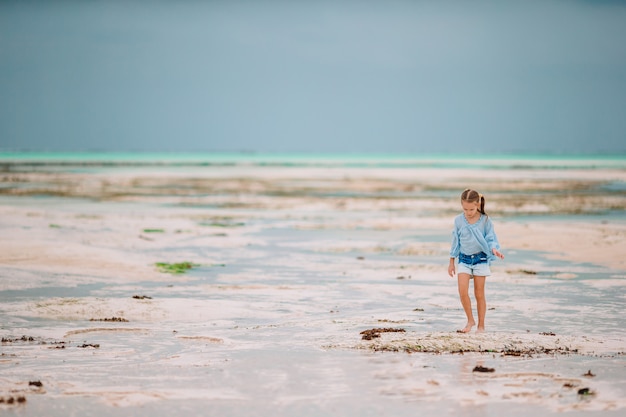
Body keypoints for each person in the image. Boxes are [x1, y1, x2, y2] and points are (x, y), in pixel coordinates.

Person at [448, 189, 504, 333]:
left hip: (481, 259)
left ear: (478, 205)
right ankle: (470, 320)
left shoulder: (485, 220)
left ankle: (481, 325)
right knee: (462, 291)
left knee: (479, 294)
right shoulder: (458, 220)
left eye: (471, 209)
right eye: (465, 209)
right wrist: (451, 262)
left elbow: (491, 238)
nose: (468, 212)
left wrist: (494, 249)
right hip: (464, 260)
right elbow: (455, 242)